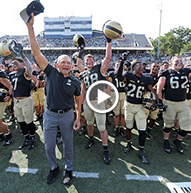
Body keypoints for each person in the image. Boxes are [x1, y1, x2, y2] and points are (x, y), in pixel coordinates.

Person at [26, 13, 82, 185]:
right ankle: (53, 168)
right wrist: (30, 27)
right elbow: (36, 53)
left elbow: (79, 100)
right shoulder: (50, 72)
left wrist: (78, 117)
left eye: (68, 62)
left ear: (71, 65)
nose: (66, 64)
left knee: (68, 145)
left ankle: (69, 169)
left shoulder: (75, 81)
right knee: (49, 145)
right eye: (62, 62)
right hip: (49, 114)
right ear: (57, 64)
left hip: (67, 115)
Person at [157, 56, 191, 154]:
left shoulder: (186, 71)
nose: (179, 63)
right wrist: (159, 101)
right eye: (176, 61)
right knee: (168, 125)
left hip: (183, 102)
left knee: (187, 127)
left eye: (180, 61)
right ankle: (166, 141)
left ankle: (178, 141)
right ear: (171, 63)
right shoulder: (166, 72)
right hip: (169, 102)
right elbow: (159, 88)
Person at [80, 30, 112, 164]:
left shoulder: (99, 69)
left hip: (99, 101)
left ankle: (105, 149)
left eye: (91, 59)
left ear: (94, 61)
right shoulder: (83, 74)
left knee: (102, 126)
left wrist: (109, 42)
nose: (89, 61)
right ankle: (91, 139)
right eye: (87, 59)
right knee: (89, 123)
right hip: (88, 102)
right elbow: (83, 91)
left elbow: (108, 58)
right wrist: (80, 105)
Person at [117, 58, 156, 164]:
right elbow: (119, 77)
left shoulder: (146, 78)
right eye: (139, 65)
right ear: (133, 67)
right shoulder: (129, 76)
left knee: (142, 129)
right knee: (128, 127)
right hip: (129, 106)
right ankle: (129, 143)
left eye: (143, 65)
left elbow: (151, 89)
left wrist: (158, 99)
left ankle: (141, 150)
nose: (142, 67)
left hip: (140, 107)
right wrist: (121, 63)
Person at [9, 55, 36, 150]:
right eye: (12, 63)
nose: (14, 65)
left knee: (29, 121)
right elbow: (12, 87)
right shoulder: (13, 74)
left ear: (22, 63)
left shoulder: (25, 71)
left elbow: (30, 68)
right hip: (16, 101)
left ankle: (32, 137)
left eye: (16, 63)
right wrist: (9, 96)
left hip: (26, 100)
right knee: (20, 121)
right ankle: (26, 138)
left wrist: (24, 56)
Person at [108, 59, 126, 138]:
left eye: (120, 65)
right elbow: (109, 85)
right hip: (115, 94)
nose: (119, 66)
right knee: (116, 114)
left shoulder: (125, 74)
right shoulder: (112, 74)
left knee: (123, 114)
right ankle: (116, 128)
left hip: (124, 94)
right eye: (117, 65)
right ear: (115, 66)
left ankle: (122, 128)